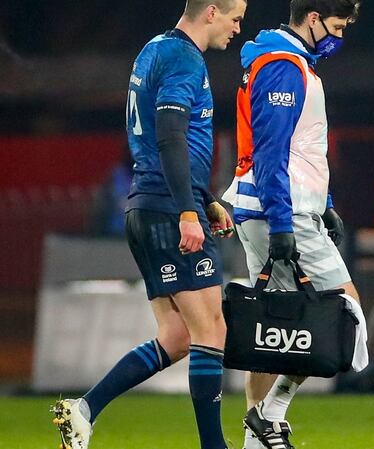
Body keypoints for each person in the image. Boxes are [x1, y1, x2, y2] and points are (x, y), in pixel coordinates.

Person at [51, 1, 247, 449]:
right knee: (211, 330)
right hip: (167, 211)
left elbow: (159, 140)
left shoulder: (154, 49)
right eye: (235, 17)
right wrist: (187, 210)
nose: (238, 27)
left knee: (177, 337)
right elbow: (170, 135)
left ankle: (84, 411)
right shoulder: (184, 58)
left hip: (148, 206)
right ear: (211, 11)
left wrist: (204, 200)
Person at [221, 1, 360, 447]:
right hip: (280, 212)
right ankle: (269, 414)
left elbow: (301, 147)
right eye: (337, 26)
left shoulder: (291, 62)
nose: (340, 37)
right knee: (342, 313)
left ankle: (254, 440)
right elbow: (271, 152)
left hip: (274, 209)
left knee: (272, 327)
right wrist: (283, 223)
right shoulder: (284, 66)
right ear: (313, 18)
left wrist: (326, 203)